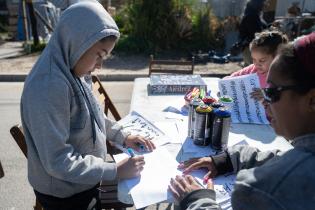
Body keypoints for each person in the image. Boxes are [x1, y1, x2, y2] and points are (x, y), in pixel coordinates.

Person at [20, 1, 155, 210]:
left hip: (84, 180)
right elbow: (58, 161)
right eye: (99, 55)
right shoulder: (48, 86)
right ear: (78, 42)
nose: (100, 65)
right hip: (65, 194)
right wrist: (114, 170)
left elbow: (94, 116)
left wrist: (123, 136)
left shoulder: (74, 68)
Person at [169, 32, 315, 209]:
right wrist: (230, 159)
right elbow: (281, 158)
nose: (265, 103)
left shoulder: (260, 189)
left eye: (272, 92)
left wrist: (196, 200)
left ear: (312, 100)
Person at [229, 30, 288, 101]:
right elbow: (231, 79)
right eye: (254, 59)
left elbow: (287, 97)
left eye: (262, 60)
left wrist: (268, 94)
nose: (257, 64)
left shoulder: (284, 75)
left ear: (277, 57)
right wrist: (225, 88)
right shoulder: (252, 69)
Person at [238, 0, 267, 66]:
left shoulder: (255, 16)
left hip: (251, 49)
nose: (265, 5)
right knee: (253, 70)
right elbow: (255, 33)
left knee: (248, 71)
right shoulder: (251, 17)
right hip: (250, 48)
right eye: (263, 3)